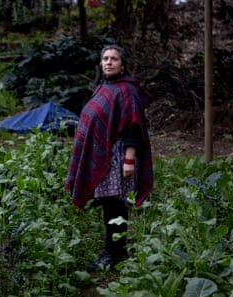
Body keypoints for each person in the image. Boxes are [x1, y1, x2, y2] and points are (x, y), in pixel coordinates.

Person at [65, 44, 153, 271]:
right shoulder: (106, 87)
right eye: (105, 59)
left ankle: (114, 255)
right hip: (105, 157)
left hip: (118, 158)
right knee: (108, 205)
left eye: (114, 59)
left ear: (122, 64)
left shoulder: (126, 91)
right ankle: (112, 249)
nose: (108, 62)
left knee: (116, 207)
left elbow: (133, 127)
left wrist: (129, 160)